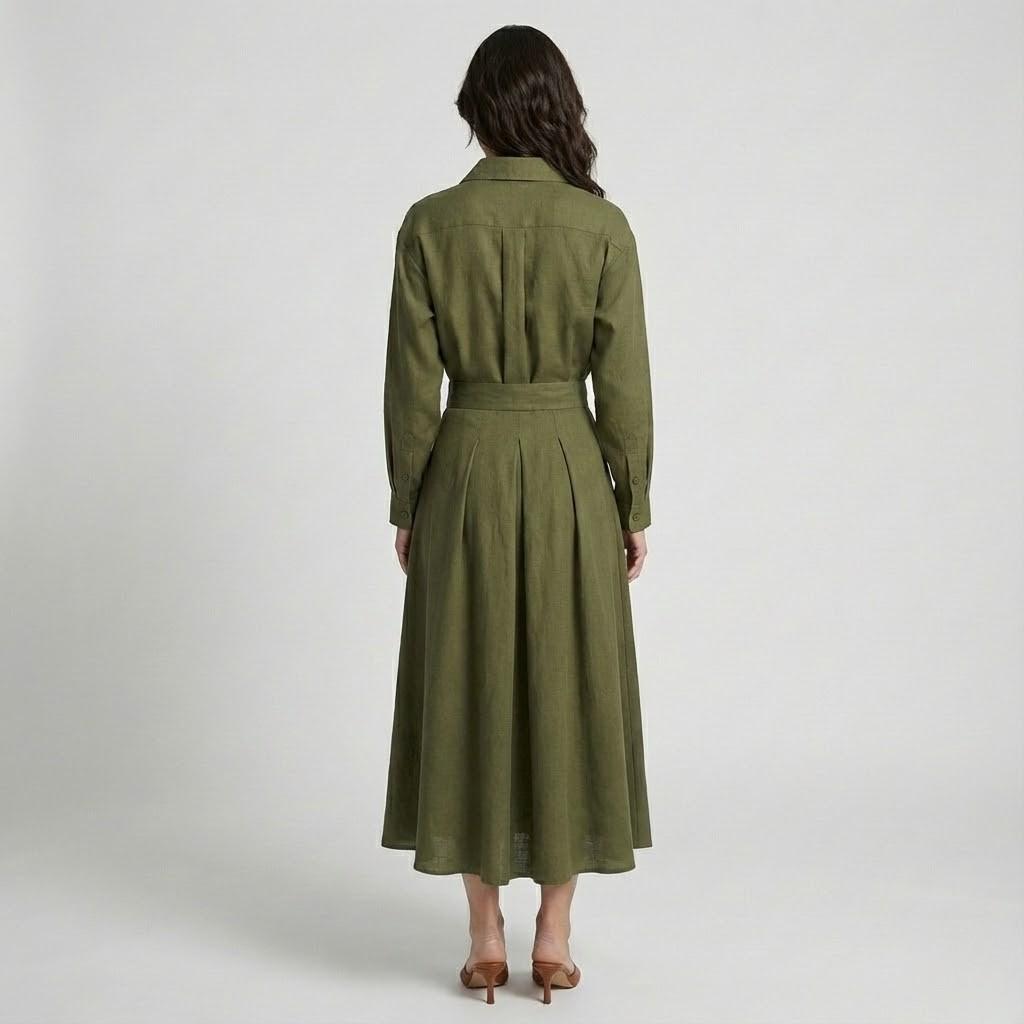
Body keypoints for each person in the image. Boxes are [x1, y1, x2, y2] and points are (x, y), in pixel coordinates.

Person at [380, 24, 654, 1004]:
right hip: (571, 473)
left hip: (463, 471)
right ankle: (556, 934)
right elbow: (625, 387)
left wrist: (409, 498)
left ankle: (483, 932)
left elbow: (411, 386)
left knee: (467, 680)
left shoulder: (429, 224)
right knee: (569, 683)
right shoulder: (601, 228)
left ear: (478, 112)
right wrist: (632, 499)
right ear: (556, 108)